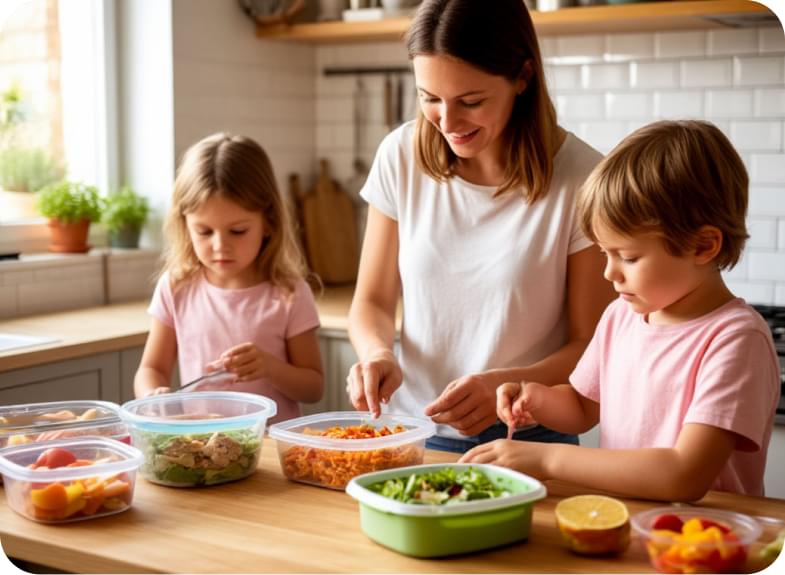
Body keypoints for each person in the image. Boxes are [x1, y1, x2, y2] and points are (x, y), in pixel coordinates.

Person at [346, 0, 615, 453]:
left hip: (528, 440)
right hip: (411, 432)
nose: (448, 122)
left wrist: (509, 385)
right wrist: (377, 353)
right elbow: (371, 301)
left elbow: (591, 345)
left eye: (470, 102)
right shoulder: (399, 156)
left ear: (523, 77)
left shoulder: (584, 179)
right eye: (430, 99)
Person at [461, 120, 780, 499]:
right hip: (628, 521)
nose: (609, 272)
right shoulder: (620, 316)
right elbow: (583, 406)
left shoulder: (736, 339)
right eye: (605, 253)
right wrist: (537, 398)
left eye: (628, 257)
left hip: (706, 532)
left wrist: (547, 459)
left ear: (703, 246)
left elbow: (685, 474)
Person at [134, 133, 324, 423]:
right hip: (199, 443)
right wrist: (152, 395)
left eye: (237, 231)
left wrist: (270, 367)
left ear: (269, 222)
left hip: (267, 444)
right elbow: (151, 369)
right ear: (185, 225)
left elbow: (313, 388)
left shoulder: (289, 293)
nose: (220, 245)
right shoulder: (176, 288)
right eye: (204, 231)